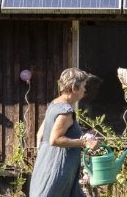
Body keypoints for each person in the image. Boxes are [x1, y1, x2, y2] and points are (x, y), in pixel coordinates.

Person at [29, 68, 99, 197]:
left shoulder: (54, 104)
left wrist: (45, 155)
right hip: (58, 169)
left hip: (48, 165)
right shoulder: (66, 111)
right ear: (74, 87)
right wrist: (85, 142)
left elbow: (40, 134)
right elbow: (54, 139)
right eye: (83, 86)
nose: (85, 89)